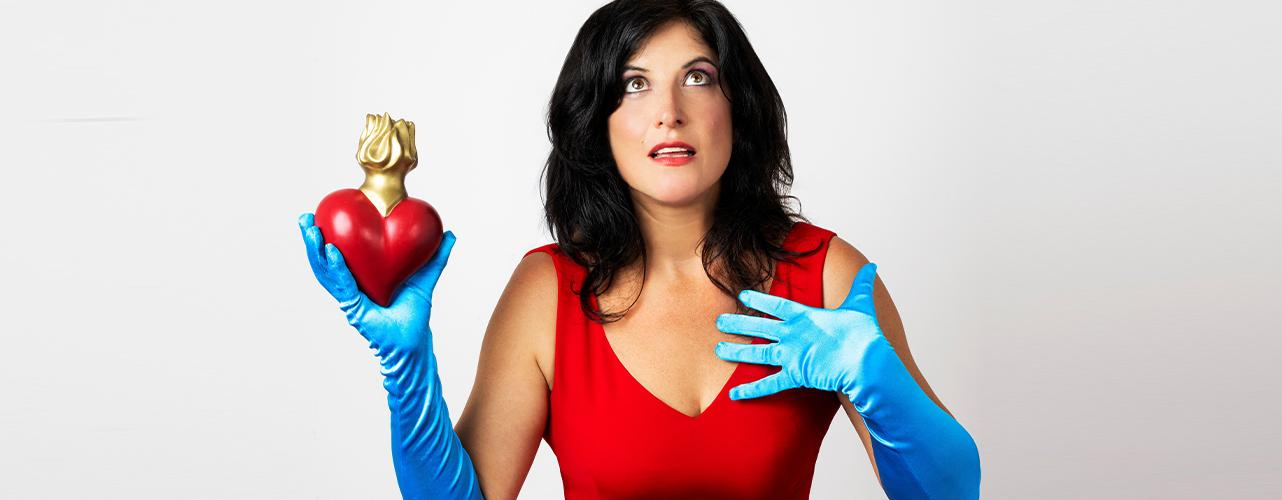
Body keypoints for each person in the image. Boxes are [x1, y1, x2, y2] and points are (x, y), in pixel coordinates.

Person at [299, 0, 981, 498]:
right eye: (634, 84)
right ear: (598, 123)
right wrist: (407, 368)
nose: (668, 111)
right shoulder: (547, 292)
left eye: (698, 77)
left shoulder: (827, 275)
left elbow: (951, 495)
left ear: (736, 108)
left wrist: (882, 384)